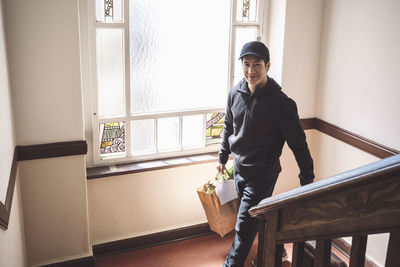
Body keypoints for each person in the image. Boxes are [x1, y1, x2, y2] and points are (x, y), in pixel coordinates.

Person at [217, 41, 315, 267]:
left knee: (243, 226)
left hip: (262, 175)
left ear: (268, 66)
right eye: (247, 64)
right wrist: (222, 158)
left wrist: (307, 178)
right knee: (257, 216)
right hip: (238, 170)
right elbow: (228, 127)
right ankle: (277, 249)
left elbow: (298, 143)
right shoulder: (234, 94)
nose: (251, 71)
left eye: (257, 65)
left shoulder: (281, 103)